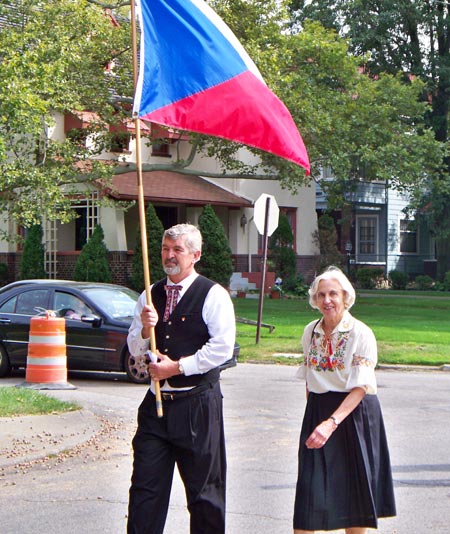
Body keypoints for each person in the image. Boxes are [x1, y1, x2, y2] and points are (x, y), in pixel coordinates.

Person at [127, 223, 236, 534]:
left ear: (195, 255)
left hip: (197, 406)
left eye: (177, 249)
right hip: (156, 409)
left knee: (205, 497)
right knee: (144, 494)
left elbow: (222, 348)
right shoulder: (150, 294)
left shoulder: (212, 294)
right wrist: (144, 328)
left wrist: (177, 367)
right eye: (165, 248)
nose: (169, 255)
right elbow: (134, 349)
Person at [293, 266, 396, 534]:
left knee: (353, 503)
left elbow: (361, 387)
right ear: (314, 300)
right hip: (319, 411)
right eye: (321, 295)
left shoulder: (361, 333)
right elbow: (310, 378)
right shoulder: (309, 332)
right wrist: (316, 417)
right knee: (308, 501)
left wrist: (331, 422)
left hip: (353, 415)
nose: (327, 300)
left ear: (345, 297)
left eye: (333, 294)